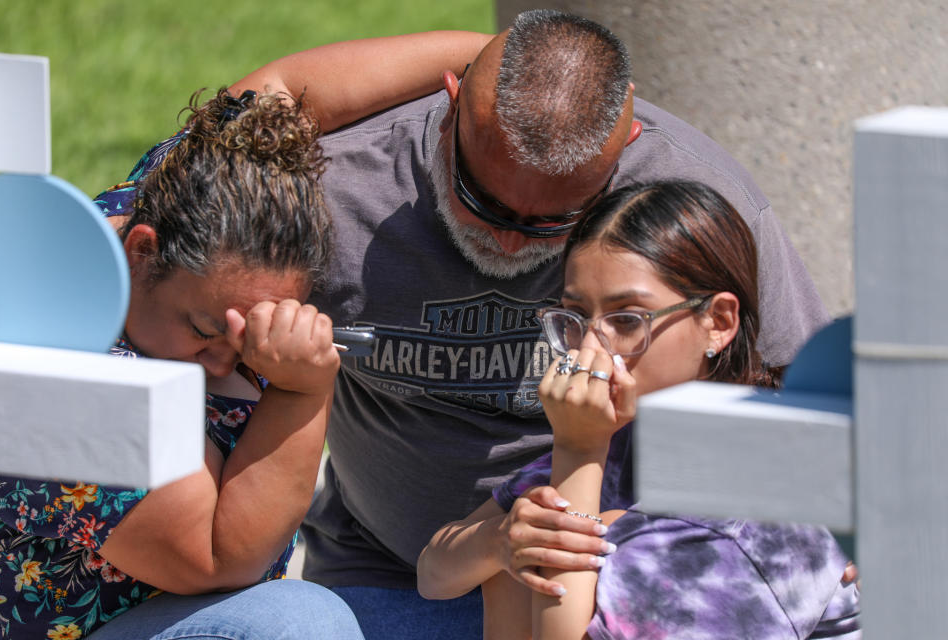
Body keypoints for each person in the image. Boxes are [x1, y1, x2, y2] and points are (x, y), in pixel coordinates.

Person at [102, 11, 830, 638]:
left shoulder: (692, 201)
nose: (509, 242)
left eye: (552, 222)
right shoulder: (339, 182)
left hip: (624, 596)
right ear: (450, 106)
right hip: (389, 578)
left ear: (625, 147)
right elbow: (249, 118)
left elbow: (813, 403)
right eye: (483, 199)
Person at [0, 32, 490, 640]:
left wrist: (505, 56)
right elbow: (219, 555)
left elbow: (285, 91)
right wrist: (300, 394)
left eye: (253, 330)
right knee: (299, 622)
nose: (230, 357)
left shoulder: (190, 185)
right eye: (205, 330)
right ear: (142, 250)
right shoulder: (67, 361)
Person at [417, 180, 861, 639]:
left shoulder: (756, 506)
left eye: (627, 320)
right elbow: (432, 572)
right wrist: (498, 541)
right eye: (574, 318)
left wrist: (578, 450)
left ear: (719, 322)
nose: (590, 349)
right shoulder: (632, 435)